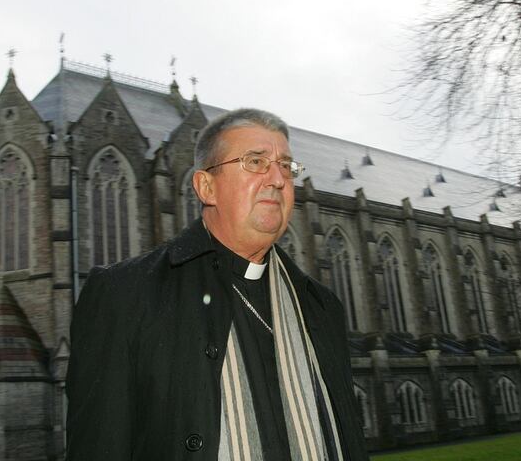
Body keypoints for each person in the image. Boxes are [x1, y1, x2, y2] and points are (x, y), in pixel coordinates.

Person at [67, 108, 367, 461]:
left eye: (286, 166)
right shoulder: (123, 295)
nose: (278, 179)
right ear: (206, 187)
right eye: (256, 162)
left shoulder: (322, 307)